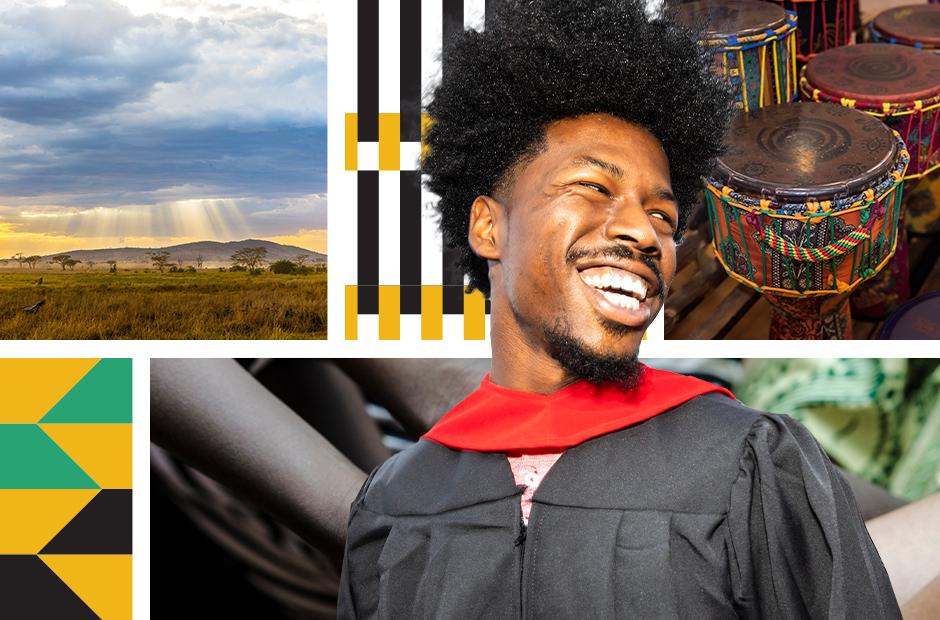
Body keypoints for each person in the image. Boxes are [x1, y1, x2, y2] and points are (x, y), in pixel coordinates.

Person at [337, 0, 901, 617]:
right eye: (593, 187)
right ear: (487, 228)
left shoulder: (748, 461)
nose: (642, 231)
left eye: (663, 215)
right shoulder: (396, 500)